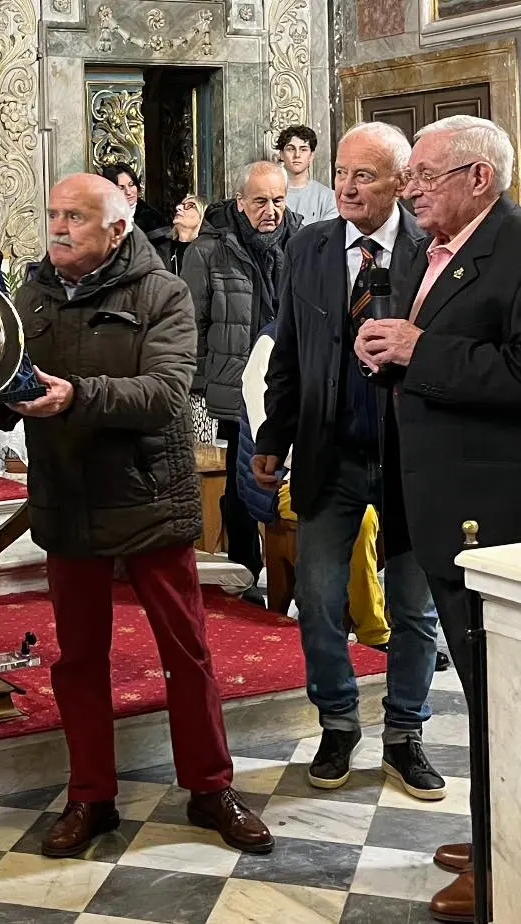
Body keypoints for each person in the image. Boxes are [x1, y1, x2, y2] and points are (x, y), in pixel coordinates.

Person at [0, 172, 274, 859]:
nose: (57, 228)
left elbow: (165, 395)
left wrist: (73, 396)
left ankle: (210, 787)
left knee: (186, 652)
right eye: (51, 214)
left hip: (147, 498)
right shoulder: (32, 296)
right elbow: (6, 389)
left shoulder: (161, 292)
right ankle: (90, 796)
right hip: (67, 496)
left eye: (73, 217)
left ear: (115, 229)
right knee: (79, 660)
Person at [356, 114, 521, 924]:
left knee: (505, 700)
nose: (409, 189)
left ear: (477, 179)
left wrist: (419, 349)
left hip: (494, 516)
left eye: (424, 175)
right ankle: (492, 828)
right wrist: (391, 351)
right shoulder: (436, 250)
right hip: (438, 501)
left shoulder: (517, 249)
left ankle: (506, 866)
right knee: (487, 697)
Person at [252, 122, 445, 799]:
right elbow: (290, 353)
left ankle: (405, 735)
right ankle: (338, 723)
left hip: (407, 460)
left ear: (400, 181)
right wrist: (272, 437)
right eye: (340, 172)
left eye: (363, 175)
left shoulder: (431, 250)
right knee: (321, 599)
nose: (346, 186)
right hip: (328, 456)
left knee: (414, 610)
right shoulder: (308, 246)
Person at [181, 162, 301, 605]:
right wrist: (196, 384)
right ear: (240, 202)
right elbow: (190, 321)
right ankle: (246, 571)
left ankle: (289, 570)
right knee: (238, 482)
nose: (271, 211)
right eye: (261, 202)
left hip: (286, 380)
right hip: (231, 385)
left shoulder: (303, 241)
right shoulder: (209, 250)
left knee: (281, 476)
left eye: (278, 201)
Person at [240, 324, 390, 649]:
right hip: (286, 477)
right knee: (359, 519)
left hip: (357, 468)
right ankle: (374, 632)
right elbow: (267, 436)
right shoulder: (270, 343)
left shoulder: (350, 332)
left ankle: (410, 631)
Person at [276, 124, 339, 225]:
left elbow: (326, 236)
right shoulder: (268, 194)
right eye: (291, 149)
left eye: (303, 149)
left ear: (311, 156)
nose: (297, 155)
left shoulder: (329, 198)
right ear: (281, 154)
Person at [100, 162, 170, 248]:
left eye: (131, 185)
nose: (128, 192)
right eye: (121, 188)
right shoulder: (101, 216)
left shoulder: (151, 218)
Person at [161, 193, 207, 275]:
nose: (178, 208)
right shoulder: (162, 251)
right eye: (180, 205)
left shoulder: (210, 251)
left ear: (202, 215)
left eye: (189, 206)